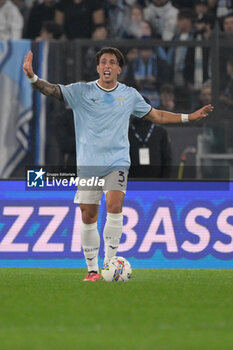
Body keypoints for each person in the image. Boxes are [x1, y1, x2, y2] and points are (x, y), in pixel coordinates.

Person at [23, 47, 214, 281]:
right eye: (103, 62)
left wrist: (188, 117)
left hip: (117, 161)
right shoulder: (81, 91)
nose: (107, 66)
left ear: (118, 69)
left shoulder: (129, 95)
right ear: (97, 68)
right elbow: (51, 90)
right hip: (89, 165)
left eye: (112, 62)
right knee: (88, 215)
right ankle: (92, 270)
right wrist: (32, 77)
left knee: (114, 205)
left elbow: (158, 116)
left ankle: (110, 262)